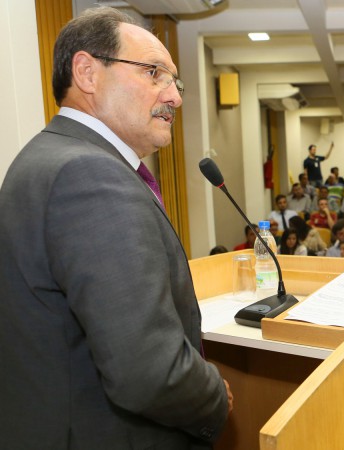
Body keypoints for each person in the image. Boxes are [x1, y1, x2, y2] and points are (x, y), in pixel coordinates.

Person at [0, 8, 232, 448]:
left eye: (175, 82)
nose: (175, 98)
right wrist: (215, 398)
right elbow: (147, 370)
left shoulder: (46, 157)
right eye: (154, 73)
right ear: (87, 72)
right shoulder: (91, 175)